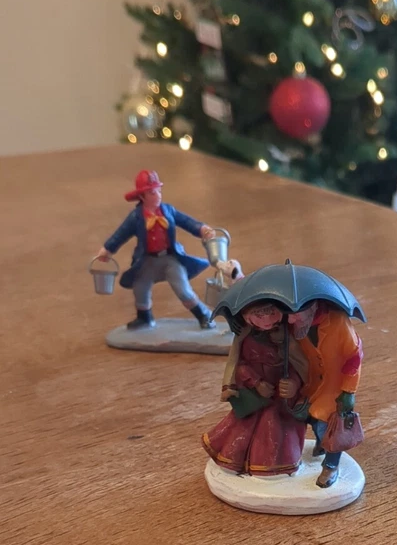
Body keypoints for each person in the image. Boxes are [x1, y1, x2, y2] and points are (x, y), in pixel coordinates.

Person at [95, 169, 220, 330]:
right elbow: (121, 234)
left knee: (183, 290)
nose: (158, 195)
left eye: (159, 191)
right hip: (147, 260)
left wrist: (202, 229)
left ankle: (204, 315)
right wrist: (108, 249)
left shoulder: (168, 210)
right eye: (152, 193)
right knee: (140, 288)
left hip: (170, 259)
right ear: (142, 196)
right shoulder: (136, 217)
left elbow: (186, 221)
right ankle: (144, 318)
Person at [202, 302, 307, 476]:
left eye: (271, 313)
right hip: (255, 396)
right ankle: (235, 460)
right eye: (259, 315)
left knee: (275, 428)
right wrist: (256, 383)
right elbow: (239, 365)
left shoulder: (288, 338)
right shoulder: (246, 338)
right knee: (243, 427)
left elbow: (300, 366)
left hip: (279, 398)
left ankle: (273, 465)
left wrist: (293, 384)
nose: (266, 319)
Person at [284, 300, 363, 488]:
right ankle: (321, 443)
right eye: (289, 313)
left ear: (313, 306)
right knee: (306, 417)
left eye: (296, 313)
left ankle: (331, 465)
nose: (291, 319)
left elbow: (354, 357)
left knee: (328, 426)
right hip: (311, 385)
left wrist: (348, 391)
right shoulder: (296, 326)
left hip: (334, 386)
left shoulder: (338, 322)